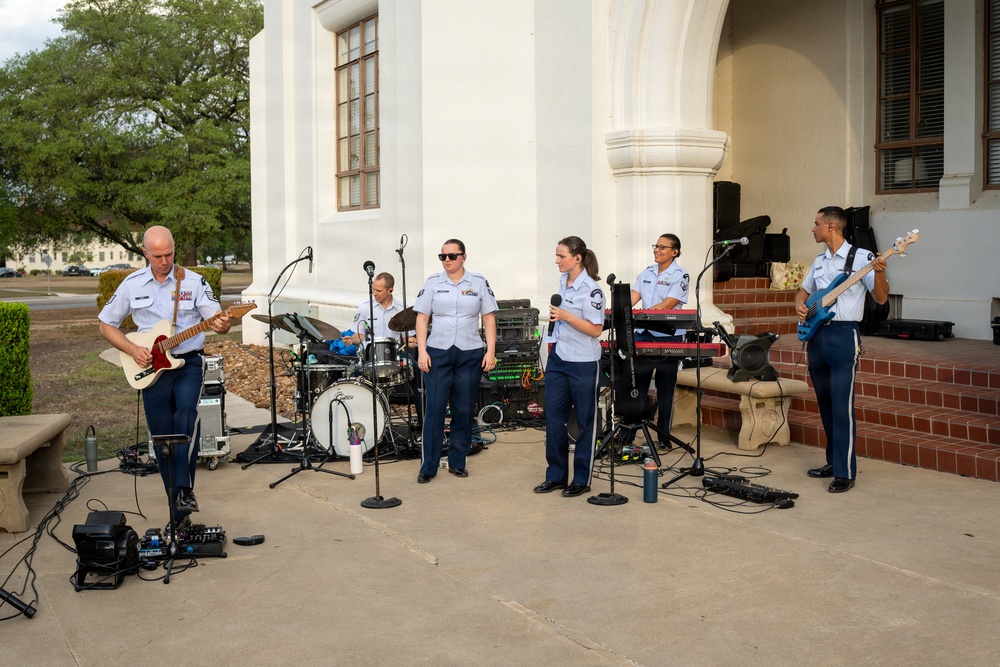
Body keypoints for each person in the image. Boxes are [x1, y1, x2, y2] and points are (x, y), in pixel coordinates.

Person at [99, 226, 230, 530]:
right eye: (157, 255)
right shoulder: (131, 284)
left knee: (187, 417)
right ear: (145, 252)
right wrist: (133, 349)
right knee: (162, 440)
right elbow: (106, 325)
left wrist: (222, 323)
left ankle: (184, 491)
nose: (164, 260)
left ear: (175, 248)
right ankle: (178, 514)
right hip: (151, 370)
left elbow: (216, 316)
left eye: (169, 254)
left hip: (187, 364)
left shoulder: (194, 282)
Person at [795, 206, 888, 493]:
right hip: (817, 336)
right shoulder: (819, 260)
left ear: (831, 227)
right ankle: (834, 462)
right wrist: (799, 306)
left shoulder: (863, 258)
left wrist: (881, 273)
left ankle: (845, 471)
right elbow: (805, 291)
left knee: (842, 404)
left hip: (843, 335)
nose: (813, 228)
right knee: (824, 401)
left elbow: (881, 298)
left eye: (816, 224)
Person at [413, 239, 497, 483]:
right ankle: (428, 466)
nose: (447, 260)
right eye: (443, 256)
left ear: (464, 257)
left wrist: (490, 352)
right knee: (435, 410)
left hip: (469, 353)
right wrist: (422, 351)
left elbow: (489, 318)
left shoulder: (478, 283)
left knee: (462, 410)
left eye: (452, 256)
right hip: (438, 352)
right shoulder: (432, 283)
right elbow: (421, 318)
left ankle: (458, 462)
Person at [533, 237, 605, 498]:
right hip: (559, 359)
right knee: (553, 419)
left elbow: (596, 330)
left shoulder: (592, 290)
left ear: (577, 258)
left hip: (584, 362)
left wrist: (567, 316)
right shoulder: (563, 282)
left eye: (561, 256)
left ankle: (581, 479)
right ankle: (556, 476)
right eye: (556, 255)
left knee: (585, 422)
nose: (556, 261)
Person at [628, 233, 689, 448]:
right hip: (643, 334)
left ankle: (664, 438)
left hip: (668, 337)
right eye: (656, 246)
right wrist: (619, 306)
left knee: (665, 390)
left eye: (662, 247)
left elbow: (667, 305)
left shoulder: (680, 275)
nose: (657, 250)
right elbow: (631, 299)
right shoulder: (646, 272)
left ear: (675, 252)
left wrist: (640, 313)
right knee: (637, 387)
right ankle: (628, 436)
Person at [340, 271, 421, 423]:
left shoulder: (401, 309)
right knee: (351, 376)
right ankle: (357, 420)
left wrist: (410, 341)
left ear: (390, 290)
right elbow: (361, 335)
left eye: (378, 290)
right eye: (373, 289)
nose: (374, 293)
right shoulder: (365, 306)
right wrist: (351, 339)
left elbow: (405, 336)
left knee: (417, 370)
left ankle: (423, 421)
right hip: (371, 356)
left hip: (395, 354)